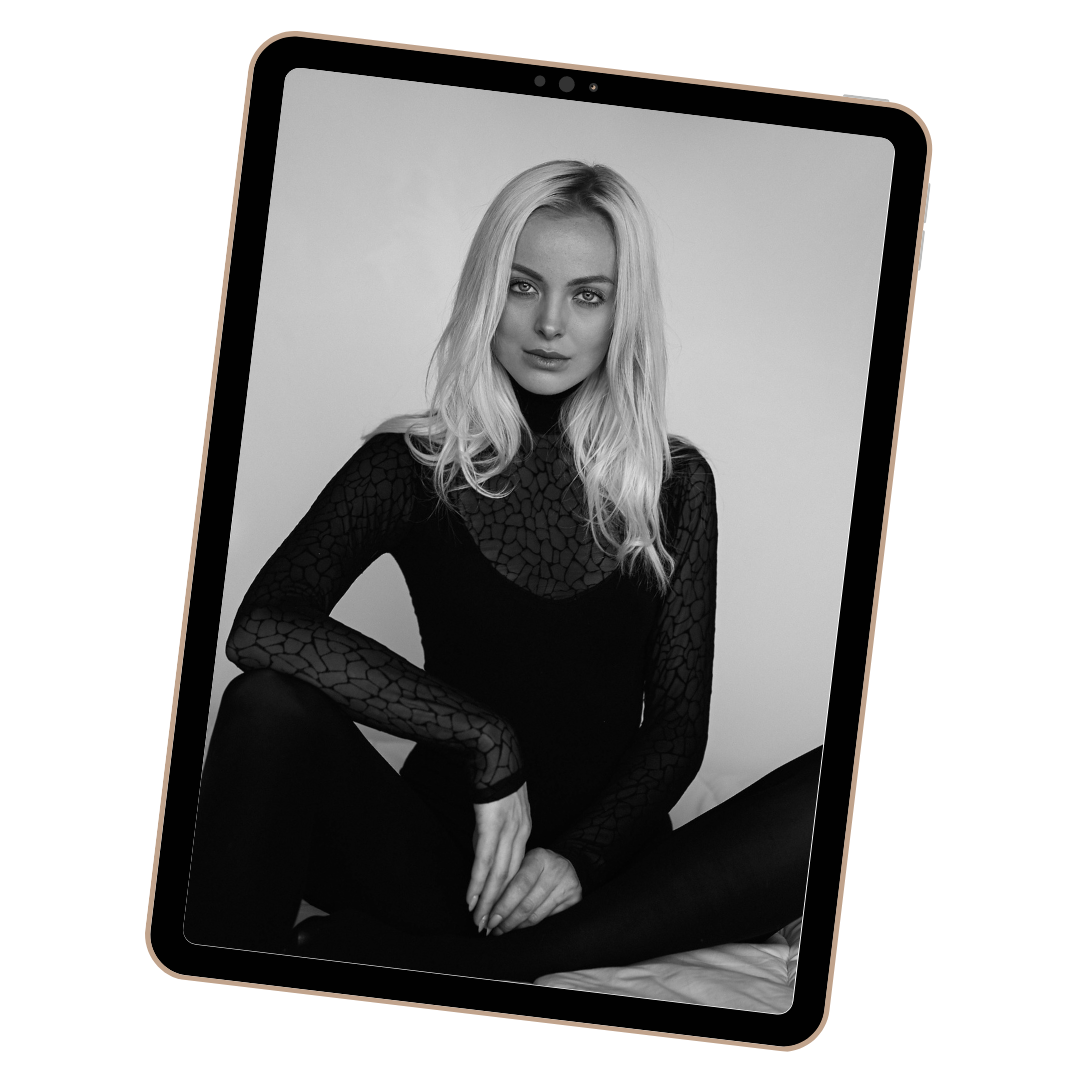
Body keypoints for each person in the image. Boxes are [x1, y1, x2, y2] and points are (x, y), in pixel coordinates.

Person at [185, 160, 821, 983]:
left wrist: (577, 859)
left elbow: (675, 728)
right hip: (441, 863)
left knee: (849, 783)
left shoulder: (674, 481)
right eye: (524, 286)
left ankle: (470, 967)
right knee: (264, 704)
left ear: (624, 313)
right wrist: (489, 744)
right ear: (488, 293)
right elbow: (262, 626)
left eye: (588, 295)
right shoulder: (411, 463)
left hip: (607, 876)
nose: (550, 323)